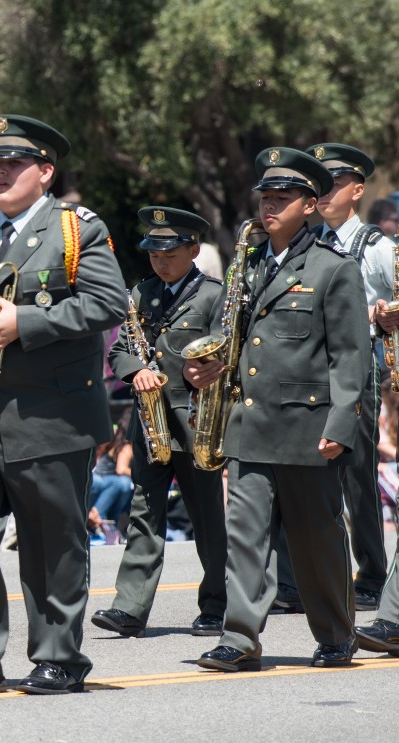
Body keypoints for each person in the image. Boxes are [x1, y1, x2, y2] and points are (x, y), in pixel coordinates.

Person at [0, 115, 125, 695]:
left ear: (45, 171)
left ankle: (59, 654)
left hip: (49, 413)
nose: (0, 173)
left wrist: (26, 322)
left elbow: (109, 303)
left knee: (50, 541)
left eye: (13, 164)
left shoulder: (75, 229)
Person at [187, 147, 367, 672]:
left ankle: (336, 632)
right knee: (244, 539)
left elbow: (351, 357)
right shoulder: (248, 263)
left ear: (310, 205)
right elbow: (237, 340)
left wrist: (341, 424)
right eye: (265, 197)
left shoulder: (334, 270)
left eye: (282, 198)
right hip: (249, 425)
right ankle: (240, 639)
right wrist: (206, 368)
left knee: (316, 542)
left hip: (307, 429)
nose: (269, 206)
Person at [92, 206, 227, 638]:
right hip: (151, 424)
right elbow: (118, 351)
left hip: (197, 421)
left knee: (208, 519)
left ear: (193, 249)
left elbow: (229, 349)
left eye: (169, 253)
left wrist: (207, 365)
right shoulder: (140, 294)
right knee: (144, 513)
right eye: (153, 253)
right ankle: (129, 607)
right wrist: (136, 370)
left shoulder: (212, 295)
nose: (160, 261)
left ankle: (217, 606)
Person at [278, 143, 394, 613]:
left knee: (357, 479)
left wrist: (382, 315)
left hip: (357, 376)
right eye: (319, 185)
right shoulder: (305, 244)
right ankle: (297, 580)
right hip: (308, 376)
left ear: (359, 190)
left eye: (337, 184)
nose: (326, 193)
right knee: (300, 480)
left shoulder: (377, 247)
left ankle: (369, 574)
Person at [87, 434, 134, 541]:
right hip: (100, 480)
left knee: (122, 485)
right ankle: (100, 518)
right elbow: (121, 469)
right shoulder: (127, 446)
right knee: (122, 483)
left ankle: (107, 523)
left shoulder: (117, 445)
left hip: (103, 481)